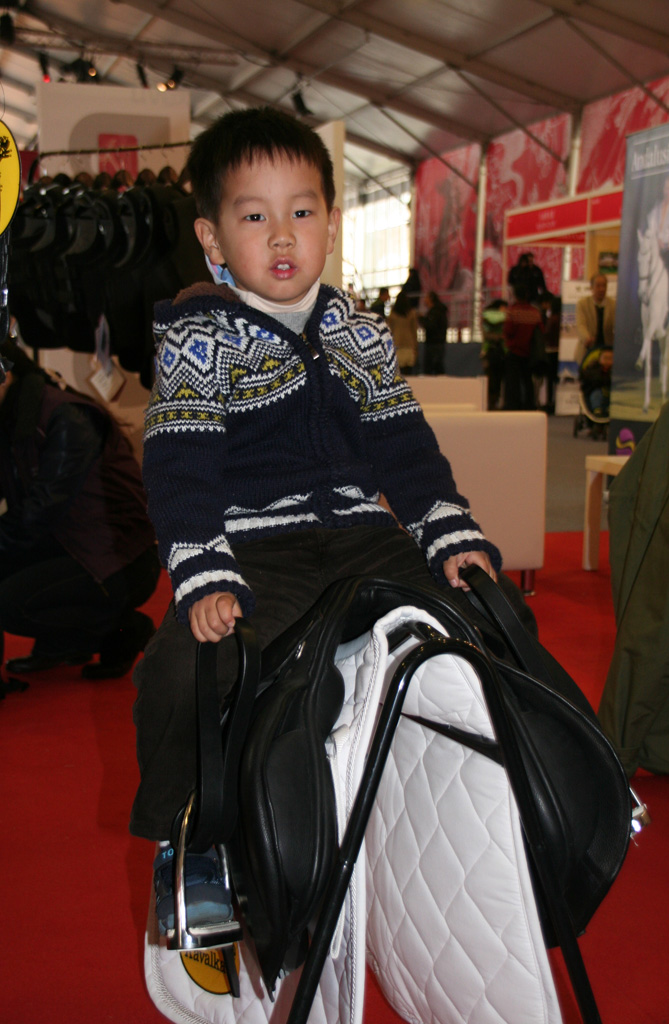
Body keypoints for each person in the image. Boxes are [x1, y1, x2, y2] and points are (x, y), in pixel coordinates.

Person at [129, 106, 504, 933]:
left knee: (491, 619)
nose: (281, 234)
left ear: (330, 224)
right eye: (253, 217)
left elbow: (405, 447)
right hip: (259, 548)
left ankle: (529, 793)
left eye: (300, 211)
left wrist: (448, 531)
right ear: (212, 238)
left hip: (365, 537)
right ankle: (189, 839)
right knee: (187, 670)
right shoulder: (197, 338)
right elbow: (181, 467)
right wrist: (204, 571)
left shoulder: (359, 332)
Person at [0, 339, 160, 679]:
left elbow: (40, 511)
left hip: (121, 560)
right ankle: (61, 644)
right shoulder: (16, 415)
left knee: (7, 603)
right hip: (74, 545)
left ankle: (124, 630)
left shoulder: (65, 416)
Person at [646, 173, 669, 329]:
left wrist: (665, 244)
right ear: (662, 189)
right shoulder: (654, 210)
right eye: (666, 188)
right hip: (653, 249)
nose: (668, 191)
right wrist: (656, 241)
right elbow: (650, 231)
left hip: (667, 251)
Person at [503, 284, 542, 410]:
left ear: (515, 295)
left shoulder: (512, 311)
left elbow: (508, 331)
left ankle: (513, 405)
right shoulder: (534, 312)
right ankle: (529, 405)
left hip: (514, 351)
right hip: (530, 352)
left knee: (513, 380)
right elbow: (541, 330)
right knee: (528, 380)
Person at [575, 273, 615, 357]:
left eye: (604, 286)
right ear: (591, 287)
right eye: (598, 286)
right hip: (588, 349)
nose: (601, 289)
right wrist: (587, 338)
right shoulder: (583, 304)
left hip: (607, 350)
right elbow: (581, 325)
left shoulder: (613, 305)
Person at [480, 298, 507, 409]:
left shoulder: (485, 317)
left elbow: (485, 335)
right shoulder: (505, 318)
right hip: (502, 351)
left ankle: (490, 402)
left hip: (487, 351)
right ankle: (496, 401)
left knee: (490, 378)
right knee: (499, 378)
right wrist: (501, 337)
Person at [387, 290, 419, 374]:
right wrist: (416, 345)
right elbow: (414, 330)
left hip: (397, 343)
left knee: (399, 372)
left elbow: (389, 330)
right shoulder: (412, 313)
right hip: (409, 344)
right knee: (409, 370)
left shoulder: (393, 314)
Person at [420, 290, 448, 374]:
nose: (424, 300)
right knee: (437, 366)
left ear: (431, 299)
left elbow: (430, 326)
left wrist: (422, 319)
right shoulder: (439, 311)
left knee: (432, 366)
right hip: (438, 342)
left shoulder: (435, 312)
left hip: (433, 343)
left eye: (426, 297)